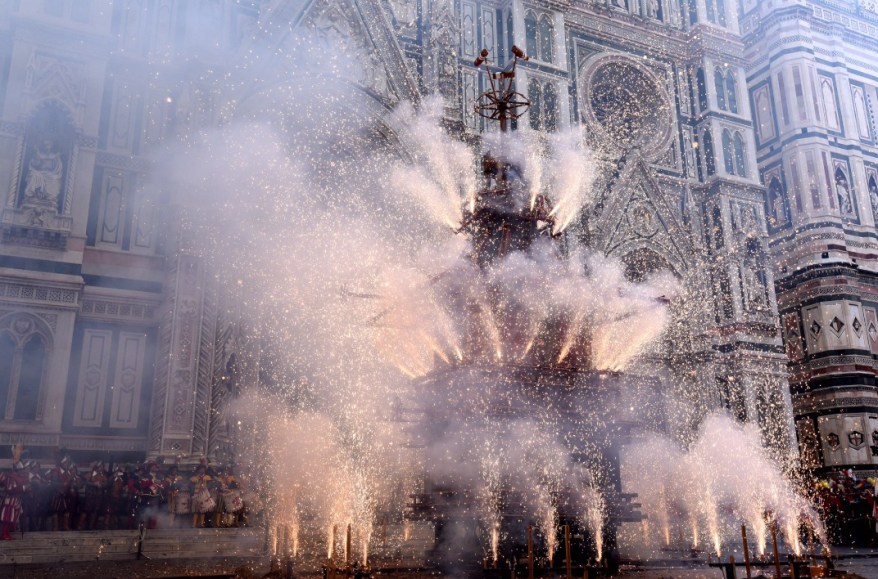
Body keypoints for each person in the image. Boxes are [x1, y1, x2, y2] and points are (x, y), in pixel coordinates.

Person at [23, 139, 63, 208]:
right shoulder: (39, 154)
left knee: (54, 179)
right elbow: (34, 165)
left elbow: (58, 168)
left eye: (48, 145)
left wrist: (56, 159)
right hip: (40, 172)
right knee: (35, 175)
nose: (47, 147)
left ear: (51, 146)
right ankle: (34, 196)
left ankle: (49, 198)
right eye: (45, 145)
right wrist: (37, 157)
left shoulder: (55, 156)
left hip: (51, 174)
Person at [0, 460, 29, 539]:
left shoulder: (19, 477)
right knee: (7, 518)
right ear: (17, 470)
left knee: (11, 518)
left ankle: (7, 534)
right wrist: (23, 488)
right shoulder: (11, 477)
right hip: (10, 501)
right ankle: (4, 534)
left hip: (16, 500)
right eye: (20, 470)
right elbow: (10, 489)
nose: (22, 472)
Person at [190, 462, 214, 528]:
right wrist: (192, 494)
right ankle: (194, 524)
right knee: (195, 510)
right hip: (196, 495)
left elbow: (210, 486)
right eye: (200, 469)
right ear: (198, 470)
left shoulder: (208, 477)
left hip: (204, 495)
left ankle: (202, 523)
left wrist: (207, 490)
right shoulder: (194, 478)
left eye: (203, 469)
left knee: (203, 510)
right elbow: (191, 487)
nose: (202, 470)